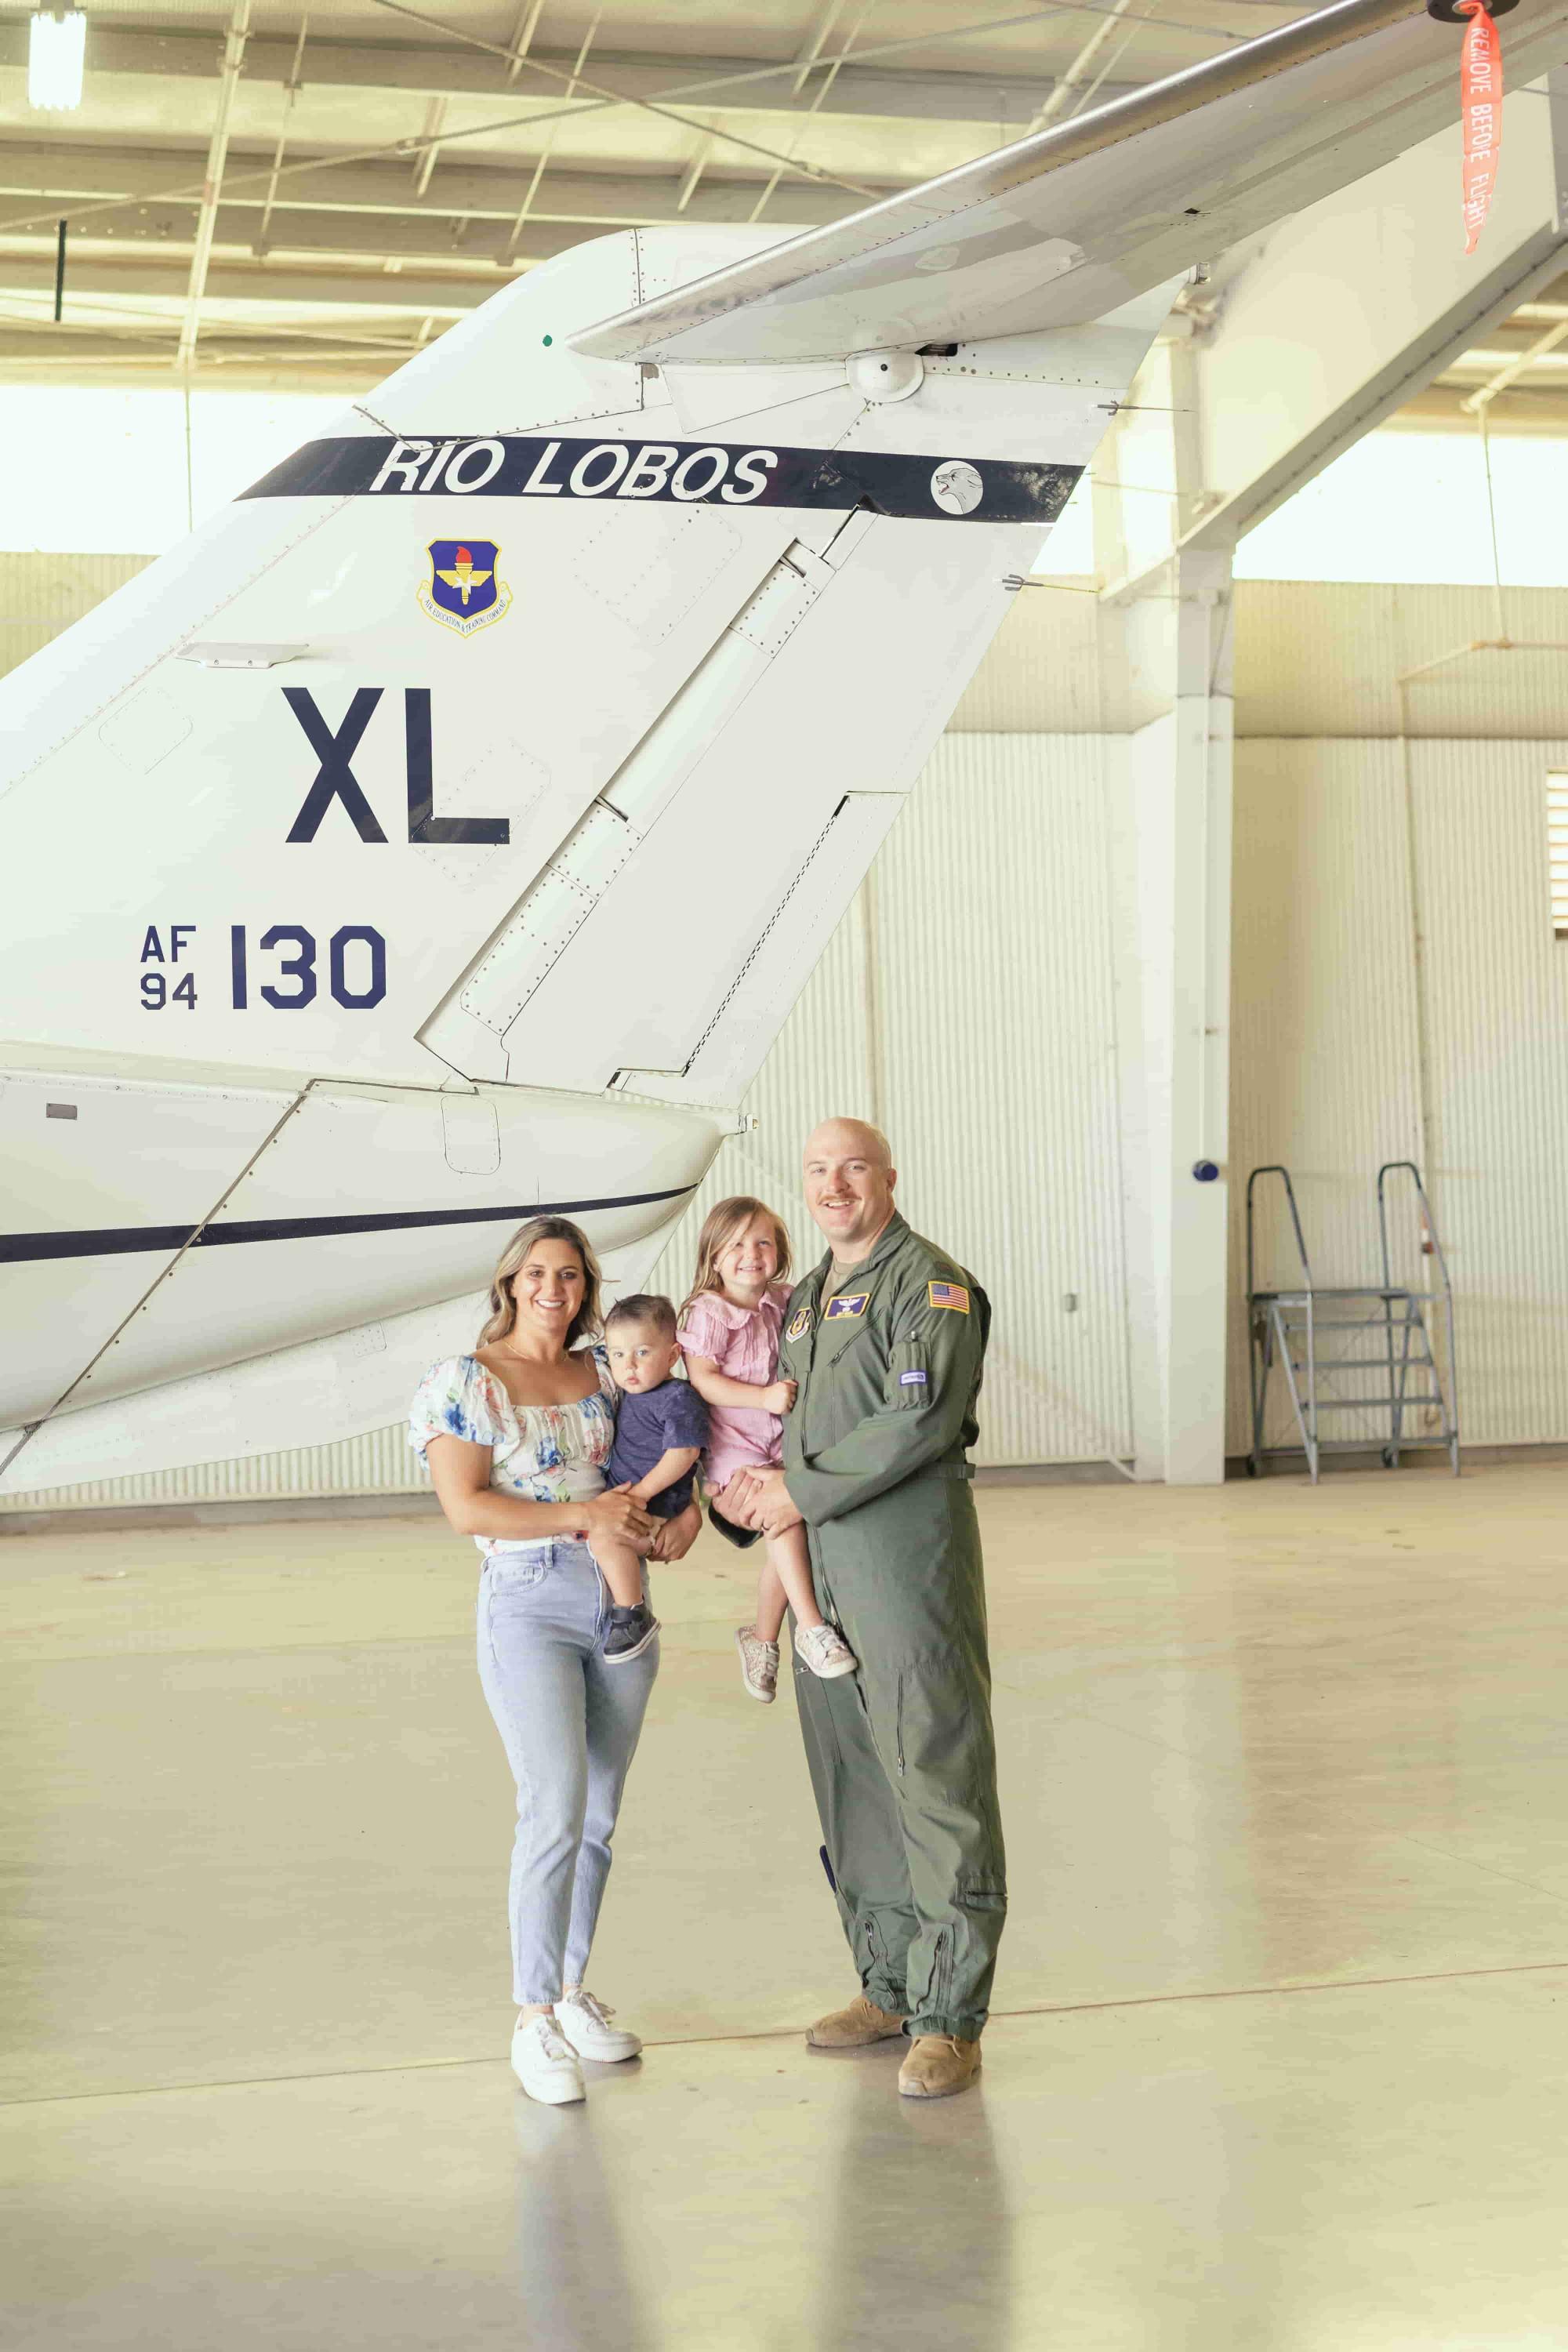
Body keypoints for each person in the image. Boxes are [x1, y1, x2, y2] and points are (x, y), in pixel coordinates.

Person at [724, 1120, 1004, 2102]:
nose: (833, 1185)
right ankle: (886, 1984)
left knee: (928, 1765)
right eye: (816, 1171)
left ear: (887, 1177)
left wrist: (798, 1491)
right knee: (851, 1773)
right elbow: (776, 1416)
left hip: (899, 1553)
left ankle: (948, 2016)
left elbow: (915, 1420)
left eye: (851, 1167)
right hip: (819, 1570)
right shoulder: (804, 1302)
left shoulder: (929, 1284)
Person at [409, 1216, 700, 2108]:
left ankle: (572, 1995)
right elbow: (468, 1508)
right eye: (537, 1273)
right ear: (509, 1282)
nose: (553, 1289)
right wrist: (584, 1520)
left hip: (617, 1597)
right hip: (527, 1598)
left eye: (570, 1275)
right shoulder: (466, 1381)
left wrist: (681, 1521)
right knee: (554, 1807)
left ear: (587, 1288)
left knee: (600, 1811)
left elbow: (662, 1449)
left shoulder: (602, 1370)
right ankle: (531, 2017)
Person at [676, 1196, 858, 1700]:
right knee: (783, 1519)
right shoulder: (708, 1312)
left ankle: (760, 1639)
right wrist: (763, 1396)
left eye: (763, 1242)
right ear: (714, 1257)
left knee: (790, 1527)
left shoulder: (786, 1299)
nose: (750, 1253)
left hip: (780, 1441)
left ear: (780, 1250)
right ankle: (811, 1627)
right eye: (735, 1244)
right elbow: (705, 1381)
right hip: (735, 1447)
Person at [588, 1293, 709, 1665]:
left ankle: (632, 1614)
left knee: (605, 1539)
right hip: (636, 1499)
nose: (629, 1366)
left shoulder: (677, 1397)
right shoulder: (630, 1394)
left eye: (642, 1353)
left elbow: (685, 1454)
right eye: (618, 1354)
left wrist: (640, 1495)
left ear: (673, 1356)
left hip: (654, 1504)